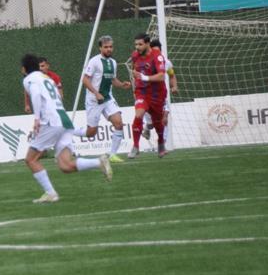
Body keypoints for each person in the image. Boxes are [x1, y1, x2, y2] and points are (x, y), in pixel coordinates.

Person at [22, 54, 112, 203]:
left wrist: (37, 118)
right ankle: (99, 162)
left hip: (51, 122)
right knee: (65, 165)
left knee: (30, 159)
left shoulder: (29, 79)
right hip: (64, 121)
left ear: (24, 69)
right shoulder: (47, 79)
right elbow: (57, 96)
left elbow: (37, 95)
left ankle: (50, 193)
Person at [71, 36, 131, 162]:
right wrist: (96, 93)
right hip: (94, 101)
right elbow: (85, 79)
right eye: (106, 47)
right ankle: (68, 131)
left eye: (110, 47)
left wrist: (121, 85)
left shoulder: (113, 62)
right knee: (91, 132)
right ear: (100, 48)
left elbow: (112, 79)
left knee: (119, 123)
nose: (109, 49)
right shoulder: (94, 61)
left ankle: (112, 154)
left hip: (108, 99)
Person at [129, 33, 168, 159]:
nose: (137, 47)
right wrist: (136, 77)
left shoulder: (157, 56)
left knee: (158, 122)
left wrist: (144, 77)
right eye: (136, 44)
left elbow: (162, 76)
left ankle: (161, 142)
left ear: (147, 43)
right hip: (142, 92)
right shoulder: (135, 55)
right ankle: (135, 146)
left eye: (140, 44)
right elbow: (134, 69)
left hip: (157, 94)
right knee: (138, 114)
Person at [143, 39, 179, 144]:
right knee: (151, 125)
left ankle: (162, 143)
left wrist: (175, 86)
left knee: (165, 118)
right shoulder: (144, 62)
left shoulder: (166, 62)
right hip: (148, 96)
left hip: (161, 96)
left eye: (157, 51)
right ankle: (146, 128)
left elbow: (172, 75)